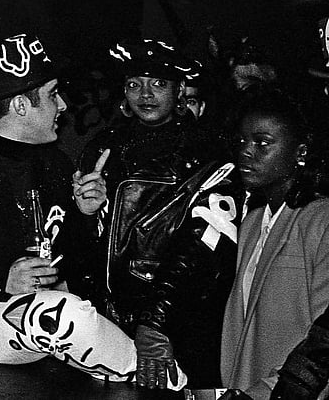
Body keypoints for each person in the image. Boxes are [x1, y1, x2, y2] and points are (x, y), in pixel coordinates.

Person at [0, 33, 177, 385]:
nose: (63, 105)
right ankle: (172, 386)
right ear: (21, 105)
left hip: (52, 307)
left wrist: (86, 213)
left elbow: (73, 259)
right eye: (52, 94)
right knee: (64, 316)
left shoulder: (58, 166)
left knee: (73, 310)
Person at [78, 38, 229, 386]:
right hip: (104, 322)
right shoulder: (103, 147)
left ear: (179, 91)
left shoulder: (207, 152)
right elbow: (82, 249)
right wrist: (86, 213)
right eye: (134, 84)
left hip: (175, 324)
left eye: (159, 84)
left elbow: (202, 248)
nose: (145, 95)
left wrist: (155, 322)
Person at [220, 87, 329, 399]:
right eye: (241, 141)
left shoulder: (321, 220)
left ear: (301, 153)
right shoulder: (253, 222)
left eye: (262, 143)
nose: (246, 152)